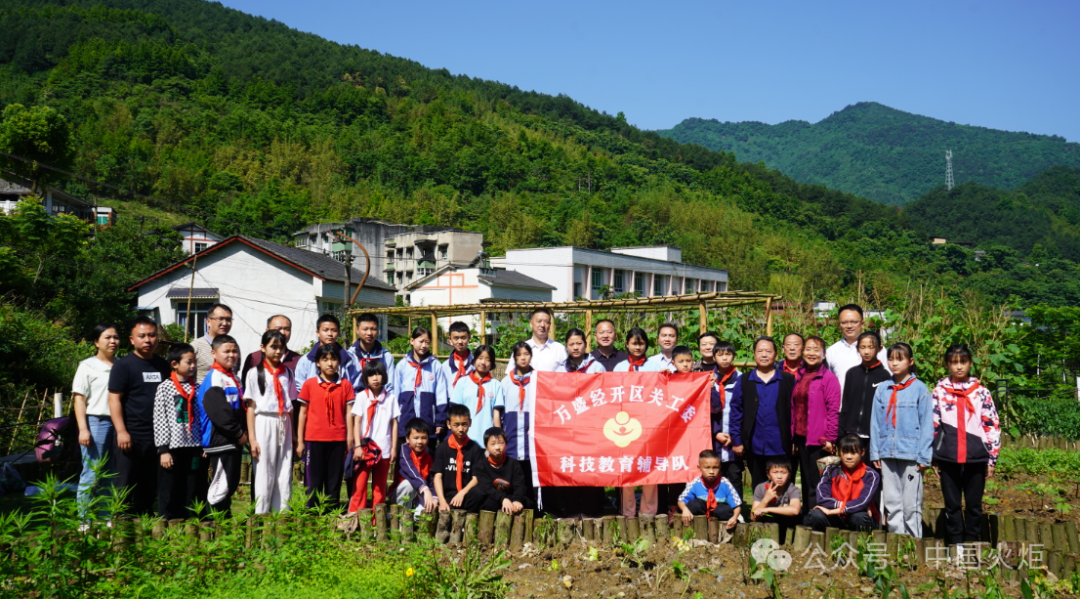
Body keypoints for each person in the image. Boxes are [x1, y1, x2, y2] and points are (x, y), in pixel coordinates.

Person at [930, 344, 1000, 546]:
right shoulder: (939, 392)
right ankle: (955, 544)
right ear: (947, 365)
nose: (958, 367)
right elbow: (933, 425)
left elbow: (992, 424)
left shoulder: (982, 393)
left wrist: (992, 458)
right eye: (954, 362)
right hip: (948, 455)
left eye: (963, 362)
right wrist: (934, 457)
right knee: (951, 504)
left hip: (976, 455)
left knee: (974, 504)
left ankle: (971, 542)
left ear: (970, 364)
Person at [108, 316, 170, 516]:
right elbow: (114, 399)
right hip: (131, 436)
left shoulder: (163, 366)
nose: (147, 340)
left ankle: (145, 526)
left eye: (152, 335)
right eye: (141, 336)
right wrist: (121, 431)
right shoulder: (123, 365)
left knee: (149, 485)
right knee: (124, 485)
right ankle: (120, 531)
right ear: (132, 339)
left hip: (157, 437)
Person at [870, 342, 934, 537]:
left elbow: (927, 425)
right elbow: (875, 422)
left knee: (911, 503)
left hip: (911, 454)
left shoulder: (920, 389)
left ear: (910, 361)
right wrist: (875, 451)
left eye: (900, 359)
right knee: (891, 501)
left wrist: (924, 456)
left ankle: (914, 544)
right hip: (887, 453)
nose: (894, 363)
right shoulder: (882, 389)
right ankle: (897, 541)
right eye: (891, 359)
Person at [730, 336, 795, 491]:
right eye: (760, 351)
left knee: (782, 485)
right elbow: (736, 410)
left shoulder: (788, 380)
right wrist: (736, 440)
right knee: (758, 485)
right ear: (754, 354)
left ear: (776, 354)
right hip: (754, 443)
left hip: (781, 444)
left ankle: (783, 514)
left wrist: (794, 439)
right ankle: (760, 513)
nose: (764, 355)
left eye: (768, 351)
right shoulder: (745, 380)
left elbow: (795, 411)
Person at [243, 330, 297, 514]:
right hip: (263, 422)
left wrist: (295, 435)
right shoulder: (254, 373)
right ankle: (262, 515)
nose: (277, 351)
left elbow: (291, 407)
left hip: (284, 423)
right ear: (263, 348)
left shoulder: (288, 373)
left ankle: (282, 514)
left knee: (284, 469)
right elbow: (250, 407)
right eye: (273, 347)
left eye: (281, 347)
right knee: (265, 470)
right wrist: (252, 439)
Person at [297, 343, 355, 512]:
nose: (330, 363)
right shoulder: (309, 385)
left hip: (338, 440)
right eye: (325, 359)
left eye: (333, 359)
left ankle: (331, 517)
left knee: (334, 481)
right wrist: (300, 441)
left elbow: (348, 414)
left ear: (339, 361)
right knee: (313, 482)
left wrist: (349, 439)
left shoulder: (345, 385)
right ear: (317, 362)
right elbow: (303, 414)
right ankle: (312, 518)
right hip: (314, 439)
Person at [153, 342, 206, 520]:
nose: (193, 366)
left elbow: (201, 418)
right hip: (173, 448)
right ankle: (167, 522)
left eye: (194, 362)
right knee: (169, 487)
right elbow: (160, 420)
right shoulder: (165, 388)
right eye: (189, 362)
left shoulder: (197, 388)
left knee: (192, 486)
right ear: (175, 364)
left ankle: (191, 524)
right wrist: (163, 450)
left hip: (194, 446)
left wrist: (203, 445)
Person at [73, 323, 120, 521]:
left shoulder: (121, 365)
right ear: (96, 342)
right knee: (92, 473)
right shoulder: (87, 366)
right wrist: (83, 429)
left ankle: (106, 517)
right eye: (107, 337)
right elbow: (79, 399)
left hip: (118, 425)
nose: (113, 341)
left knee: (111, 474)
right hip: (96, 423)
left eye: (116, 337)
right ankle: (84, 520)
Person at [196, 334, 246, 515]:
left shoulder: (233, 377)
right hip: (221, 440)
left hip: (232, 440)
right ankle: (216, 523)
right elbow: (219, 412)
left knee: (230, 483)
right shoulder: (214, 378)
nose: (231, 355)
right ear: (214, 353)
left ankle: (223, 518)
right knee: (221, 484)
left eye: (234, 351)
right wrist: (239, 434)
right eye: (226, 351)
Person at [791, 335, 841, 513]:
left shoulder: (828, 379)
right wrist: (793, 436)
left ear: (824, 354)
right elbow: (794, 407)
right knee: (805, 479)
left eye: (816, 350)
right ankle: (808, 514)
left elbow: (833, 410)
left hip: (820, 440)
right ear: (803, 352)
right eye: (808, 349)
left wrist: (830, 438)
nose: (811, 353)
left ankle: (817, 518)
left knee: (817, 481)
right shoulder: (800, 375)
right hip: (801, 437)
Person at [615, 327, 656, 517]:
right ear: (627, 344)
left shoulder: (654, 366)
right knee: (627, 468)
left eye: (641, 343)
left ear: (646, 344)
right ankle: (628, 512)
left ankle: (648, 511)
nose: (637, 347)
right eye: (634, 343)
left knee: (649, 467)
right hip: (625, 425)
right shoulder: (619, 367)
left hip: (649, 425)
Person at [348, 361, 400, 512]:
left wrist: (393, 448)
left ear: (384, 376)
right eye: (371, 375)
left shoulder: (390, 398)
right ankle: (355, 521)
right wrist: (357, 446)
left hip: (383, 449)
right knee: (360, 487)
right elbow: (356, 422)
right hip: (365, 450)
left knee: (379, 489)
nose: (375, 378)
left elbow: (394, 424)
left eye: (378, 374)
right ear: (366, 378)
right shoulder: (362, 397)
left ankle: (377, 524)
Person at [806, 434, 880, 532]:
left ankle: (859, 545)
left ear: (862, 452)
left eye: (853, 452)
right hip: (835, 515)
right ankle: (829, 542)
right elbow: (822, 497)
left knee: (860, 517)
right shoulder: (831, 469)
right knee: (816, 515)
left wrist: (838, 510)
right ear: (839, 452)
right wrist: (839, 507)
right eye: (845, 452)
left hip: (856, 514)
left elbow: (862, 502)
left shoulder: (871, 475)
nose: (849, 457)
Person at [839, 332, 891, 452]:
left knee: (870, 470)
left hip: (872, 435)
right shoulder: (852, 373)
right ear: (857, 349)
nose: (866, 352)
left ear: (879, 349)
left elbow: (885, 410)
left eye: (871, 347)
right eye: (862, 347)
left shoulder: (884, 376)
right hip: (850, 433)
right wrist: (841, 433)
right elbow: (845, 404)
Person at [395, 326, 448, 441]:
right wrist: (395, 420)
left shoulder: (436, 366)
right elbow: (395, 395)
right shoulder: (402, 366)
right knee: (405, 456)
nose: (424, 345)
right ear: (412, 341)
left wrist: (440, 421)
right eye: (421, 341)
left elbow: (441, 396)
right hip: (405, 421)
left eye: (427, 342)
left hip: (428, 421)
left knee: (428, 456)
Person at [500, 342, 537, 506]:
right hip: (512, 434)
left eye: (526, 354)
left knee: (530, 472)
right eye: (519, 355)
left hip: (532, 436)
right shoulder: (506, 382)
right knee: (513, 471)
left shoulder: (538, 379)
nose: (523, 358)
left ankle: (532, 506)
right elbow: (499, 411)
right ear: (514, 357)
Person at [826, 304, 889, 394]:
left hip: (873, 406)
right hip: (843, 407)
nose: (849, 326)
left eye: (854, 322)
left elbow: (889, 381)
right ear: (839, 324)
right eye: (844, 322)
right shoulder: (831, 352)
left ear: (862, 323)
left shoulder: (878, 350)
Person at [434, 404, 485, 513]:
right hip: (448, 497)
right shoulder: (442, 448)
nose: (461, 429)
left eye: (464, 424)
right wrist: (442, 501)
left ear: (470, 423)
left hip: (467, 495)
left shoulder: (475, 449)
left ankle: (469, 522)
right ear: (448, 424)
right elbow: (437, 476)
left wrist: (462, 493)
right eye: (456, 425)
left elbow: (476, 477)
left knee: (479, 492)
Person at [709, 339, 744, 499]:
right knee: (714, 474)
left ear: (733, 356)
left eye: (728, 354)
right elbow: (703, 413)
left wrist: (736, 436)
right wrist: (715, 433)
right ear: (714, 357)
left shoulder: (742, 379)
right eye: (720, 354)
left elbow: (745, 411)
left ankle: (736, 510)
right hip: (713, 437)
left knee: (734, 475)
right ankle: (716, 509)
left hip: (734, 437)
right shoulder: (708, 380)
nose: (724, 358)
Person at [450, 345, 503, 445]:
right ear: (474, 360)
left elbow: (496, 414)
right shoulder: (462, 382)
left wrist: (497, 438)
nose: (483, 362)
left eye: (488, 359)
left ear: (491, 363)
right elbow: (456, 412)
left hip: (488, 441)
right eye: (480, 358)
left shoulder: (496, 385)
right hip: (465, 438)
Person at [294, 314, 359, 394]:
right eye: (325, 330)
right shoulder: (306, 359)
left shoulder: (349, 358)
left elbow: (356, 385)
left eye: (334, 330)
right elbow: (300, 387)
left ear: (338, 333)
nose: (330, 334)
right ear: (318, 333)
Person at [678, 450, 741, 530]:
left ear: (720, 467)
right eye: (707, 468)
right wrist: (685, 510)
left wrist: (735, 517)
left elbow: (736, 505)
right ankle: (699, 530)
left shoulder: (725, 483)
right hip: (702, 514)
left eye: (715, 468)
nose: (711, 472)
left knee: (724, 510)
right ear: (699, 468)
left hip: (719, 515)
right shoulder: (695, 483)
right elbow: (681, 500)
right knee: (693, 505)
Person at [473, 426, 532, 514]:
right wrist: (503, 499)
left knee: (528, 503)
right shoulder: (480, 466)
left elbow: (520, 485)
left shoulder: (514, 464)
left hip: (511, 496)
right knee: (489, 504)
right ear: (486, 447)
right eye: (493, 444)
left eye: (500, 443)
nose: (497, 447)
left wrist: (517, 500)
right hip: (493, 497)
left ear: (506, 444)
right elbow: (487, 487)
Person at [393, 418, 437, 518]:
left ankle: (416, 515)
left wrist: (433, 496)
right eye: (416, 438)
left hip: (421, 492)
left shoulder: (430, 454)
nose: (420, 441)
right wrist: (425, 489)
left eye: (424, 438)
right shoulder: (403, 451)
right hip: (402, 493)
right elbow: (410, 471)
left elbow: (432, 479)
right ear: (407, 439)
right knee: (408, 484)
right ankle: (402, 516)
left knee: (423, 515)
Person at [749, 458, 801, 539]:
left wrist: (768, 509)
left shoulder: (792, 489)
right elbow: (753, 517)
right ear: (768, 474)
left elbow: (795, 510)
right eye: (775, 472)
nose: (779, 476)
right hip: (766, 525)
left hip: (785, 524)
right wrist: (766, 499)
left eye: (784, 472)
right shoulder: (760, 488)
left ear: (789, 475)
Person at [241, 315, 301, 381]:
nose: (283, 333)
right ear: (267, 331)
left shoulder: (298, 360)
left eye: (287, 329)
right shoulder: (254, 358)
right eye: (278, 329)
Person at [348, 313, 396, 394]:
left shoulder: (386, 356)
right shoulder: (349, 356)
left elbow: (390, 385)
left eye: (373, 329)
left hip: (381, 401)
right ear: (357, 330)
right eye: (365, 329)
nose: (369, 333)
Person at [193, 304, 235, 385]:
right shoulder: (195, 347)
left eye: (228, 319)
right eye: (220, 319)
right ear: (208, 322)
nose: (225, 323)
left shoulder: (233, 348)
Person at [440, 321, 474, 389]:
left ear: (469, 338)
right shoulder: (444, 367)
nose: (460, 342)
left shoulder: (476, 364)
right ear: (450, 339)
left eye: (463, 338)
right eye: (456, 338)